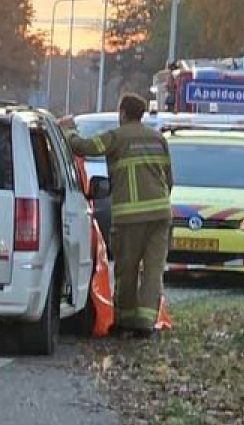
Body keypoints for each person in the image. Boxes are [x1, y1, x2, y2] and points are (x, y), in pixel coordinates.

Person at [64, 94, 173, 338]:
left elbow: (85, 147)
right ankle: (146, 323)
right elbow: (169, 178)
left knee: (127, 268)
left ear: (122, 113)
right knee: (154, 270)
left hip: (130, 218)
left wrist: (68, 132)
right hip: (160, 215)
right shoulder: (158, 139)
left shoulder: (117, 137)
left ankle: (124, 321)